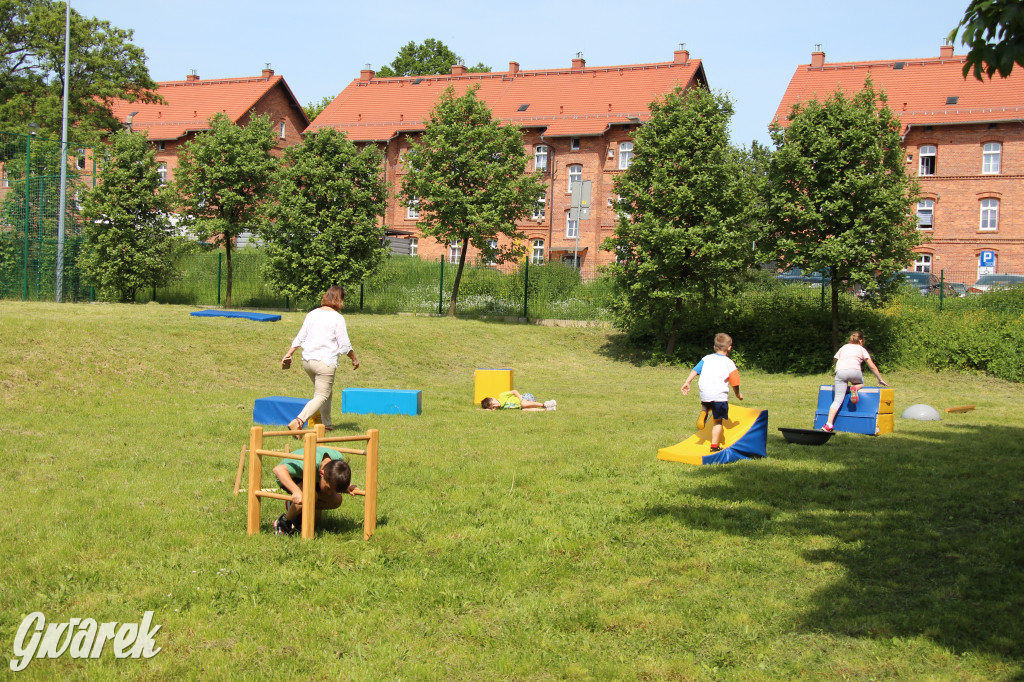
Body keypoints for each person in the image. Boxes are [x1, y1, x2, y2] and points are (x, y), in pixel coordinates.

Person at [281, 286, 359, 434]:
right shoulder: (337, 318)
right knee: (322, 395)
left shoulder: (312, 314)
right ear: (339, 299)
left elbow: (300, 336)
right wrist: (354, 358)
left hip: (308, 361)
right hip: (325, 362)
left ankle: (327, 425)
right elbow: (344, 344)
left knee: (326, 393)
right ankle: (298, 421)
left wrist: (289, 353)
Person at [272, 446, 364, 535]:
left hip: (313, 479)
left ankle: (296, 510)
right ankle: (284, 521)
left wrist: (343, 486)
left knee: (336, 500)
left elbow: (335, 479)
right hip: (290, 477)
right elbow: (278, 470)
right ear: (321, 474)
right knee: (311, 496)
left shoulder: (338, 461)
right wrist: (296, 491)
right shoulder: (308, 463)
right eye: (328, 488)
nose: (329, 493)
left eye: (333, 490)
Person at [681, 333, 744, 453]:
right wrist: (738, 394)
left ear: (715, 347)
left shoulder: (706, 358)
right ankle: (714, 446)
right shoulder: (729, 363)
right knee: (718, 421)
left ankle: (704, 411)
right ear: (730, 348)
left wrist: (687, 382)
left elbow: (695, 370)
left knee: (707, 404)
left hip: (705, 394)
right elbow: (735, 382)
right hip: (719, 396)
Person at [821, 331, 888, 433]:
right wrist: (880, 379)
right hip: (854, 372)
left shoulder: (844, 347)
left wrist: (835, 369)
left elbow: (835, 359)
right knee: (860, 383)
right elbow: (871, 366)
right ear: (861, 340)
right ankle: (855, 387)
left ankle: (828, 424)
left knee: (837, 400)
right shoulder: (861, 349)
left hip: (840, 372)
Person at [481, 390, 556, 411]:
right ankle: (547, 410)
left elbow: (514, 391)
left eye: (493, 403)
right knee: (524, 410)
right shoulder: (500, 408)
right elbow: (488, 410)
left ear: (493, 398)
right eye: (493, 407)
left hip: (526, 397)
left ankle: (545, 404)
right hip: (523, 405)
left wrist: (521, 399)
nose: (495, 406)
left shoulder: (502, 396)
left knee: (523, 405)